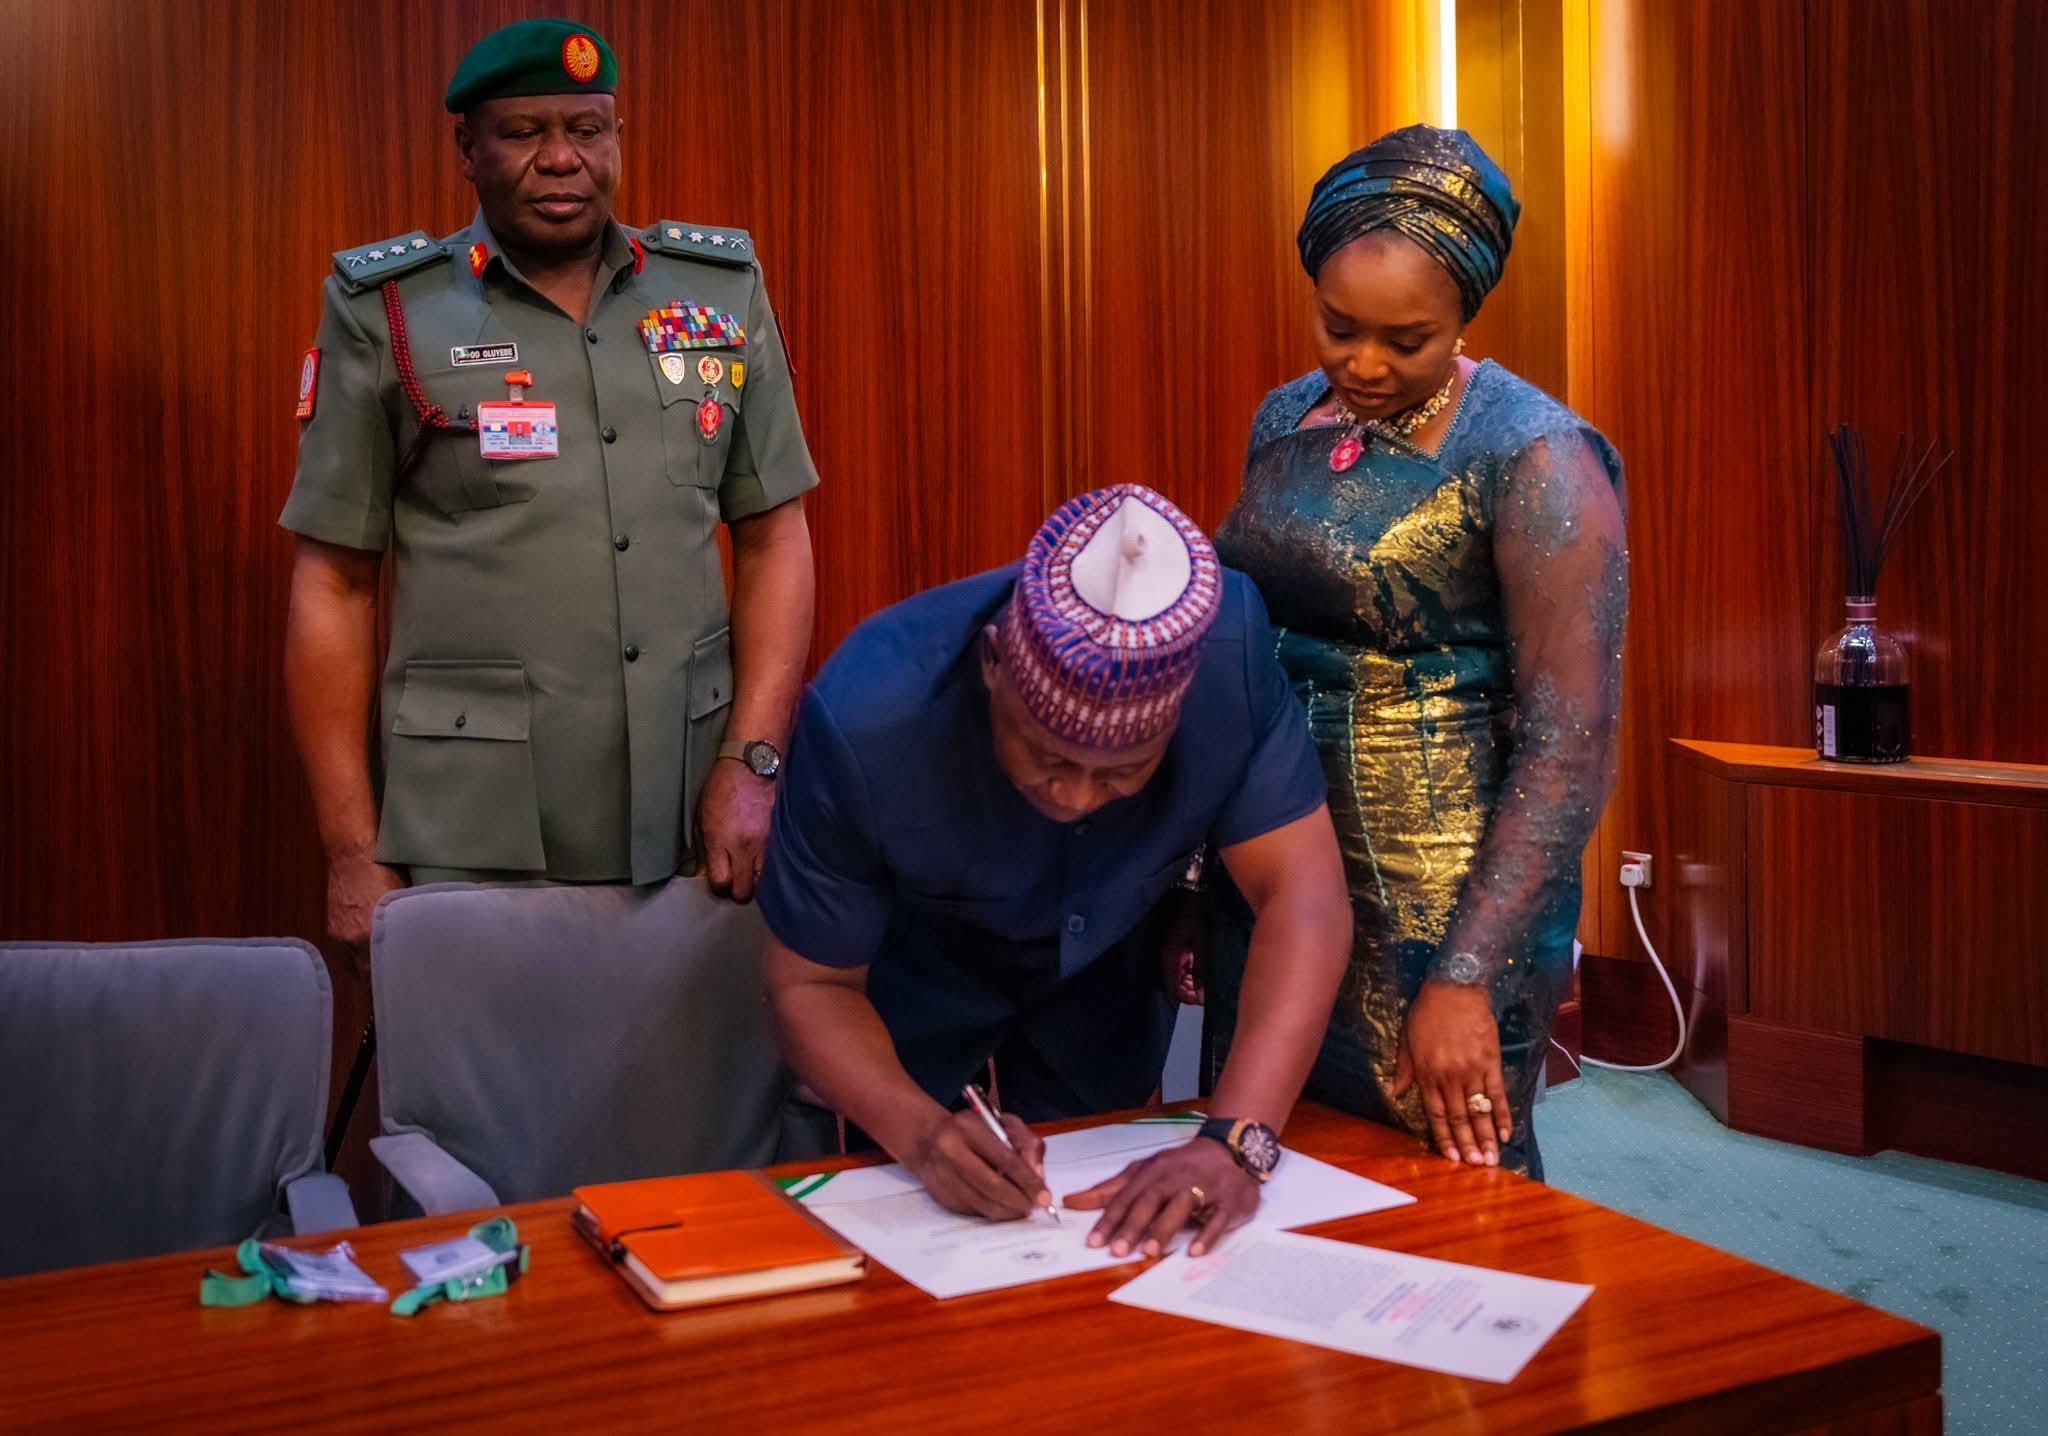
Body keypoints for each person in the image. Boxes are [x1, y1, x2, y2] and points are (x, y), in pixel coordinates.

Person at [280, 18, 817, 960]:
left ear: (617, 137)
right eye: (525, 132)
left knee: (686, 1061)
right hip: (470, 832)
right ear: (469, 149)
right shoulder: (388, 312)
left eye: (587, 129)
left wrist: (753, 760)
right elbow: (334, 584)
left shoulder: (718, 293)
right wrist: (351, 850)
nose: (562, 159)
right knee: (480, 1063)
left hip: (690, 815)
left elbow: (775, 538)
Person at [760, 485, 1351, 1258]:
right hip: (908, 1034)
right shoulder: (868, 713)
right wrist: (924, 1137)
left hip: (1106, 1020)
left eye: (1122, 775)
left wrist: (1236, 1142)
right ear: (993, 664)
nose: (1075, 797)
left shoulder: (1229, 654)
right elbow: (810, 986)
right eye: (1047, 758)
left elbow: (1303, 898)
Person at [1206, 125, 1627, 1179]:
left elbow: (1569, 745)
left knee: (1448, 1187)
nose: (1362, 364)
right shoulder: (1284, 417)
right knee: (1262, 1163)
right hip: (1274, 859)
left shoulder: (1537, 456)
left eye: (1407, 341)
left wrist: (1468, 972)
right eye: (1337, 326)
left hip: (1439, 901)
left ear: (1464, 315)